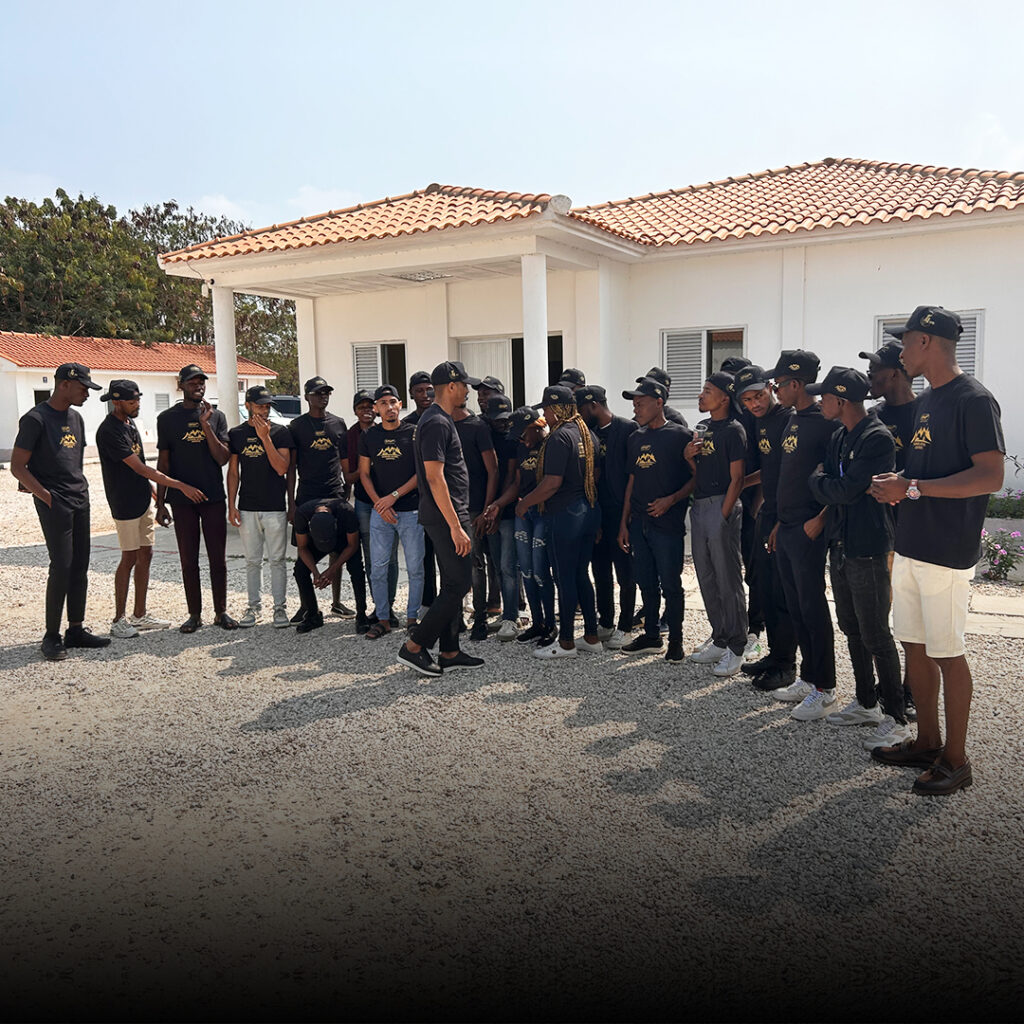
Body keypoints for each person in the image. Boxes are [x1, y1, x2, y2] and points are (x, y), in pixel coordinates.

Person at [870, 305, 1004, 795]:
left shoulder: (974, 399)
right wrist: (901, 482)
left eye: (905, 341)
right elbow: (925, 472)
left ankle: (956, 760)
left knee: (948, 652)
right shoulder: (928, 401)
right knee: (915, 644)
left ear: (926, 341)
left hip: (947, 549)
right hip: (912, 543)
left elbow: (990, 476)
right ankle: (928, 742)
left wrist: (912, 488)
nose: (900, 351)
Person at [807, 367, 908, 749]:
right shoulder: (839, 435)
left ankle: (896, 718)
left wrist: (821, 482)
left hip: (868, 545)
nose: (820, 402)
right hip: (841, 543)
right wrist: (827, 485)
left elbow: (846, 490)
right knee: (851, 627)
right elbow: (839, 488)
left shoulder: (876, 437)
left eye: (824, 397)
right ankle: (866, 703)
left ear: (841, 400)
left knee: (876, 633)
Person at [11, 362, 111, 661]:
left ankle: (75, 629)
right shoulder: (35, 419)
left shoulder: (76, 418)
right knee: (62, 566)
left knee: (80, 566)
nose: (87, 394)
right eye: (83, 388)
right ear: (64, 384)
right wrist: (46, 496)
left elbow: (73, 461)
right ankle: (51, 636)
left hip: (80, 499)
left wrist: (79, 490)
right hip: (55, 503)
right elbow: (17, 467)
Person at [95, 379, 202, 638]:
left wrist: (156, 497)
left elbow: (141, 466)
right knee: (129, 557)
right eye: (132, 401)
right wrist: (180, 486)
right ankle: (118, 620)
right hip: (124, 503)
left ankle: (140, 615)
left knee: (146, 554)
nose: (137, 405)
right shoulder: (109, 431)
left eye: (138, 399)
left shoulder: (130, 424)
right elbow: (141, 468)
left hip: (142, 500)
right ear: (116, 402)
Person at [398, 361, 485, 677]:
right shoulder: (436, 422)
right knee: (459, 584)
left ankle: (449, 651)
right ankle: (414, 646)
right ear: (451, 386)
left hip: (448, 513)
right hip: (446, 516)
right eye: (464, 385)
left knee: (452, 583)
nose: (467, 391)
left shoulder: (439, 419)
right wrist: (455, 525)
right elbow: (435, 477)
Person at [766, 350, 838, 716]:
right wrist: (780, 521)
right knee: (796, 606)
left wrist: (820, 520)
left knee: (812, 607)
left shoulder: (826, 423)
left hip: (810, 528)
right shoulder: (793, 419)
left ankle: (825, 687)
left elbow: (839, 479)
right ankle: (809, 678)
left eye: (778, 384)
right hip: (788, 526)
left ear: (796, 383)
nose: (775, 390)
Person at [517, 384, 601, 660]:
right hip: (589, 510)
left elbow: (552, 483)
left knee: (564, 578)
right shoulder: (587, 434)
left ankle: (566, 642)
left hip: (566, 514)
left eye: (547, 409)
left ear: (558, 408)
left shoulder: (559, 437)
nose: (545, 415)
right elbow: (596, 475)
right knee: (581, 574)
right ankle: (591, 636)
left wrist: (525, 503)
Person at [155, 365, 238, 633]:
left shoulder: (217, 416)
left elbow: (223, 458)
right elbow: (163, 463)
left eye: (201, 382)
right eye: (192, 382)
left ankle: (221, 612)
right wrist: (160, 503)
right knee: (189, 560)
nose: (198, 386)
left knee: (218, 559)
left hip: (212, 497)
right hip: (182, 501)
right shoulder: (167, 419)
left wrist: (206, 426)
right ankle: (194, 614)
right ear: (181, 385)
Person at [861, 339, 919, 718]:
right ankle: (884, 684)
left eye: (874, 371)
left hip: (914, 531)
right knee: (878, 615)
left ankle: (910, 690)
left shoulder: (925, 413)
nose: (869, 377)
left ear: (895, 372)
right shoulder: (873, 416)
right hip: (878, 531)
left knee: (912, 620)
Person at [617, 377, 693, 662]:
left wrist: (671, 500)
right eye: (634, 404)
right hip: (639, 523)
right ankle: (651, 636)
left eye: (641, 403)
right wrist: (624, 523)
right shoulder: (635, 438)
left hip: (667, 525)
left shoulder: (680, 436)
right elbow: (632, 481)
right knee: (646, 582)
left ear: (659, 403)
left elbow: (696, 478)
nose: (635, 409)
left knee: (671, 584)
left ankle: (676, 641)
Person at [734, 366, 798, 692]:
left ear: (771, 388)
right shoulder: (760, 421)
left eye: (758, 396)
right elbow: (769, 469)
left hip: (787, 515)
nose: (754, 404)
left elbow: (793, 472)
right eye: (747, 400)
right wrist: (741, 485)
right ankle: (775, 654)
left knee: (784, 593)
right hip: (768, 511)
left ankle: (787, 665)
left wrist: (782, 520)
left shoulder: (788, 419)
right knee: (766, 588)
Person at [685, 372, 748, 677]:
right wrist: (688, 457)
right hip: (699, 505)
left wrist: (724, 514)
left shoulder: (734, 430)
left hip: (722, 504)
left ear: (724, 397)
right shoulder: (703, 427)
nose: (701, 395)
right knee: (706, 576)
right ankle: (720, 637)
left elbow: (738, 478)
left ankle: (737, 646)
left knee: (727, 578)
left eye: (708, 391)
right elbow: (698, 471)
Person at [287, 375, 362, 622]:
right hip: (307, 495)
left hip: (334, 493)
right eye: (318, 393)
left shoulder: (338, 423)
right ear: (306, 397)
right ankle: (307, 605)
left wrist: (346, 491)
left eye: (326, 392)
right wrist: (291, 503)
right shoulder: (296, 426)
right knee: (304, 549)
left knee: (336, 548)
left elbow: (345, 460)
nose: (323, 397)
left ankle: (337, 602)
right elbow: (291, 468)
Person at [358, 384, 423, 639]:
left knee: (415, 568)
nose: (389, 407)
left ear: (400, 405)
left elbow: (421, 473)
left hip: (411, 510)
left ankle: (412, 619)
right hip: (381, 513)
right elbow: (364, 474)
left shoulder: (413, 433)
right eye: (383, 403)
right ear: (376, 408)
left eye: (393, 402)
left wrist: (393, 496)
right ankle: (383, 619)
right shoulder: (369, 436)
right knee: (378, 568)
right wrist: (379, 503)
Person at [228, 385, 295, 628]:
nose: (264, 411)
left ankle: (279, 608)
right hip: (247, 506)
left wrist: (265, 437)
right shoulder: (236, 434)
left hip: (274, 506)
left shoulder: (280, 432)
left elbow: (282, 468)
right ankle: (253, 607)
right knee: (252, 561)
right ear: (248, 406)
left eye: (267, 406)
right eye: (259, 406)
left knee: (277, 560)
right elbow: (233, 472)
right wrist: (231, 504)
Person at [577, 385, 637, 650]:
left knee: (625, 573)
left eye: (581, 409)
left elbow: (634, 476)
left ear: (594, 405)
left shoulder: (627, 428)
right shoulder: (587, 434)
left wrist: (627, 518)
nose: (579, 415)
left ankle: (626, 626)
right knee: (600, 570)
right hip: (596, 512)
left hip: (622, 512)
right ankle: (606, 622)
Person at [495, 407, 555, 645]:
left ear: (537, 426)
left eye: (524, 434)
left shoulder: (552, 445)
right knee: (527, 570)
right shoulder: (522, 448)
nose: (522, 440)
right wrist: (498, 504)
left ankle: (551, 624)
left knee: (541, 571)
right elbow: (518, 483)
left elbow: (553, 484)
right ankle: (537, 623)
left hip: (543, 513)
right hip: (523, 513)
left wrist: (527, 502)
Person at [346, 388, 397, 631]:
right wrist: (369, 462)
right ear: (355, 410)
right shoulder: (350, 436)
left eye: (369, 406)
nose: (366, 410)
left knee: (391, 558)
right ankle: (379, 606)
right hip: (366, 504)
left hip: (390, 502)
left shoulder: (386, 431)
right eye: (361, 407)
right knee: (372, 558)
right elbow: (349, 476)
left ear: (376, 409)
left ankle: (389, 606)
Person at [453, 394, 498, 640]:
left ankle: (480, 618)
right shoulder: (439, 424)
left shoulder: (477, 427)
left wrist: (486, 509)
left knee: (475, 564)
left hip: (474, 507)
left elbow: (493, 469)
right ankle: (455, 617)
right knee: (450, 565)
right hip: (448, 507)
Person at [480, 394, 522, 641]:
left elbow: (511, 477)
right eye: (498, 419)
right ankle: (506, 612)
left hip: (506, 511)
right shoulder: (484, 436)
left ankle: (511, 617)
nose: (503, 423)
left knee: (508, 565)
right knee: (496, 564)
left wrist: (497, 508)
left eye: (506, 418)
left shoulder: (514, 440)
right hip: (488, 509)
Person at [292, 498, 361, 634]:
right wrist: (315, 572)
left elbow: (353, 545)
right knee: (300, 570)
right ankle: (313, 615)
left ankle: (362, 614)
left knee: (357, 568)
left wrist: (332, 570)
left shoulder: (346, 511)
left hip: (342, 539)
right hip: (317, 540)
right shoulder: (301, 514)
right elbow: (302, 547)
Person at [403, 370, 438, 612]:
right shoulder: (407, 426)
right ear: (411, 394)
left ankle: (455, 604)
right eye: (419, 391)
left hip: (444, 496)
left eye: (429, 389)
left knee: (448, 556)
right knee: (424, 555)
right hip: (417, 499)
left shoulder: (443, 417)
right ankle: (427, 604)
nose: (425, 395)